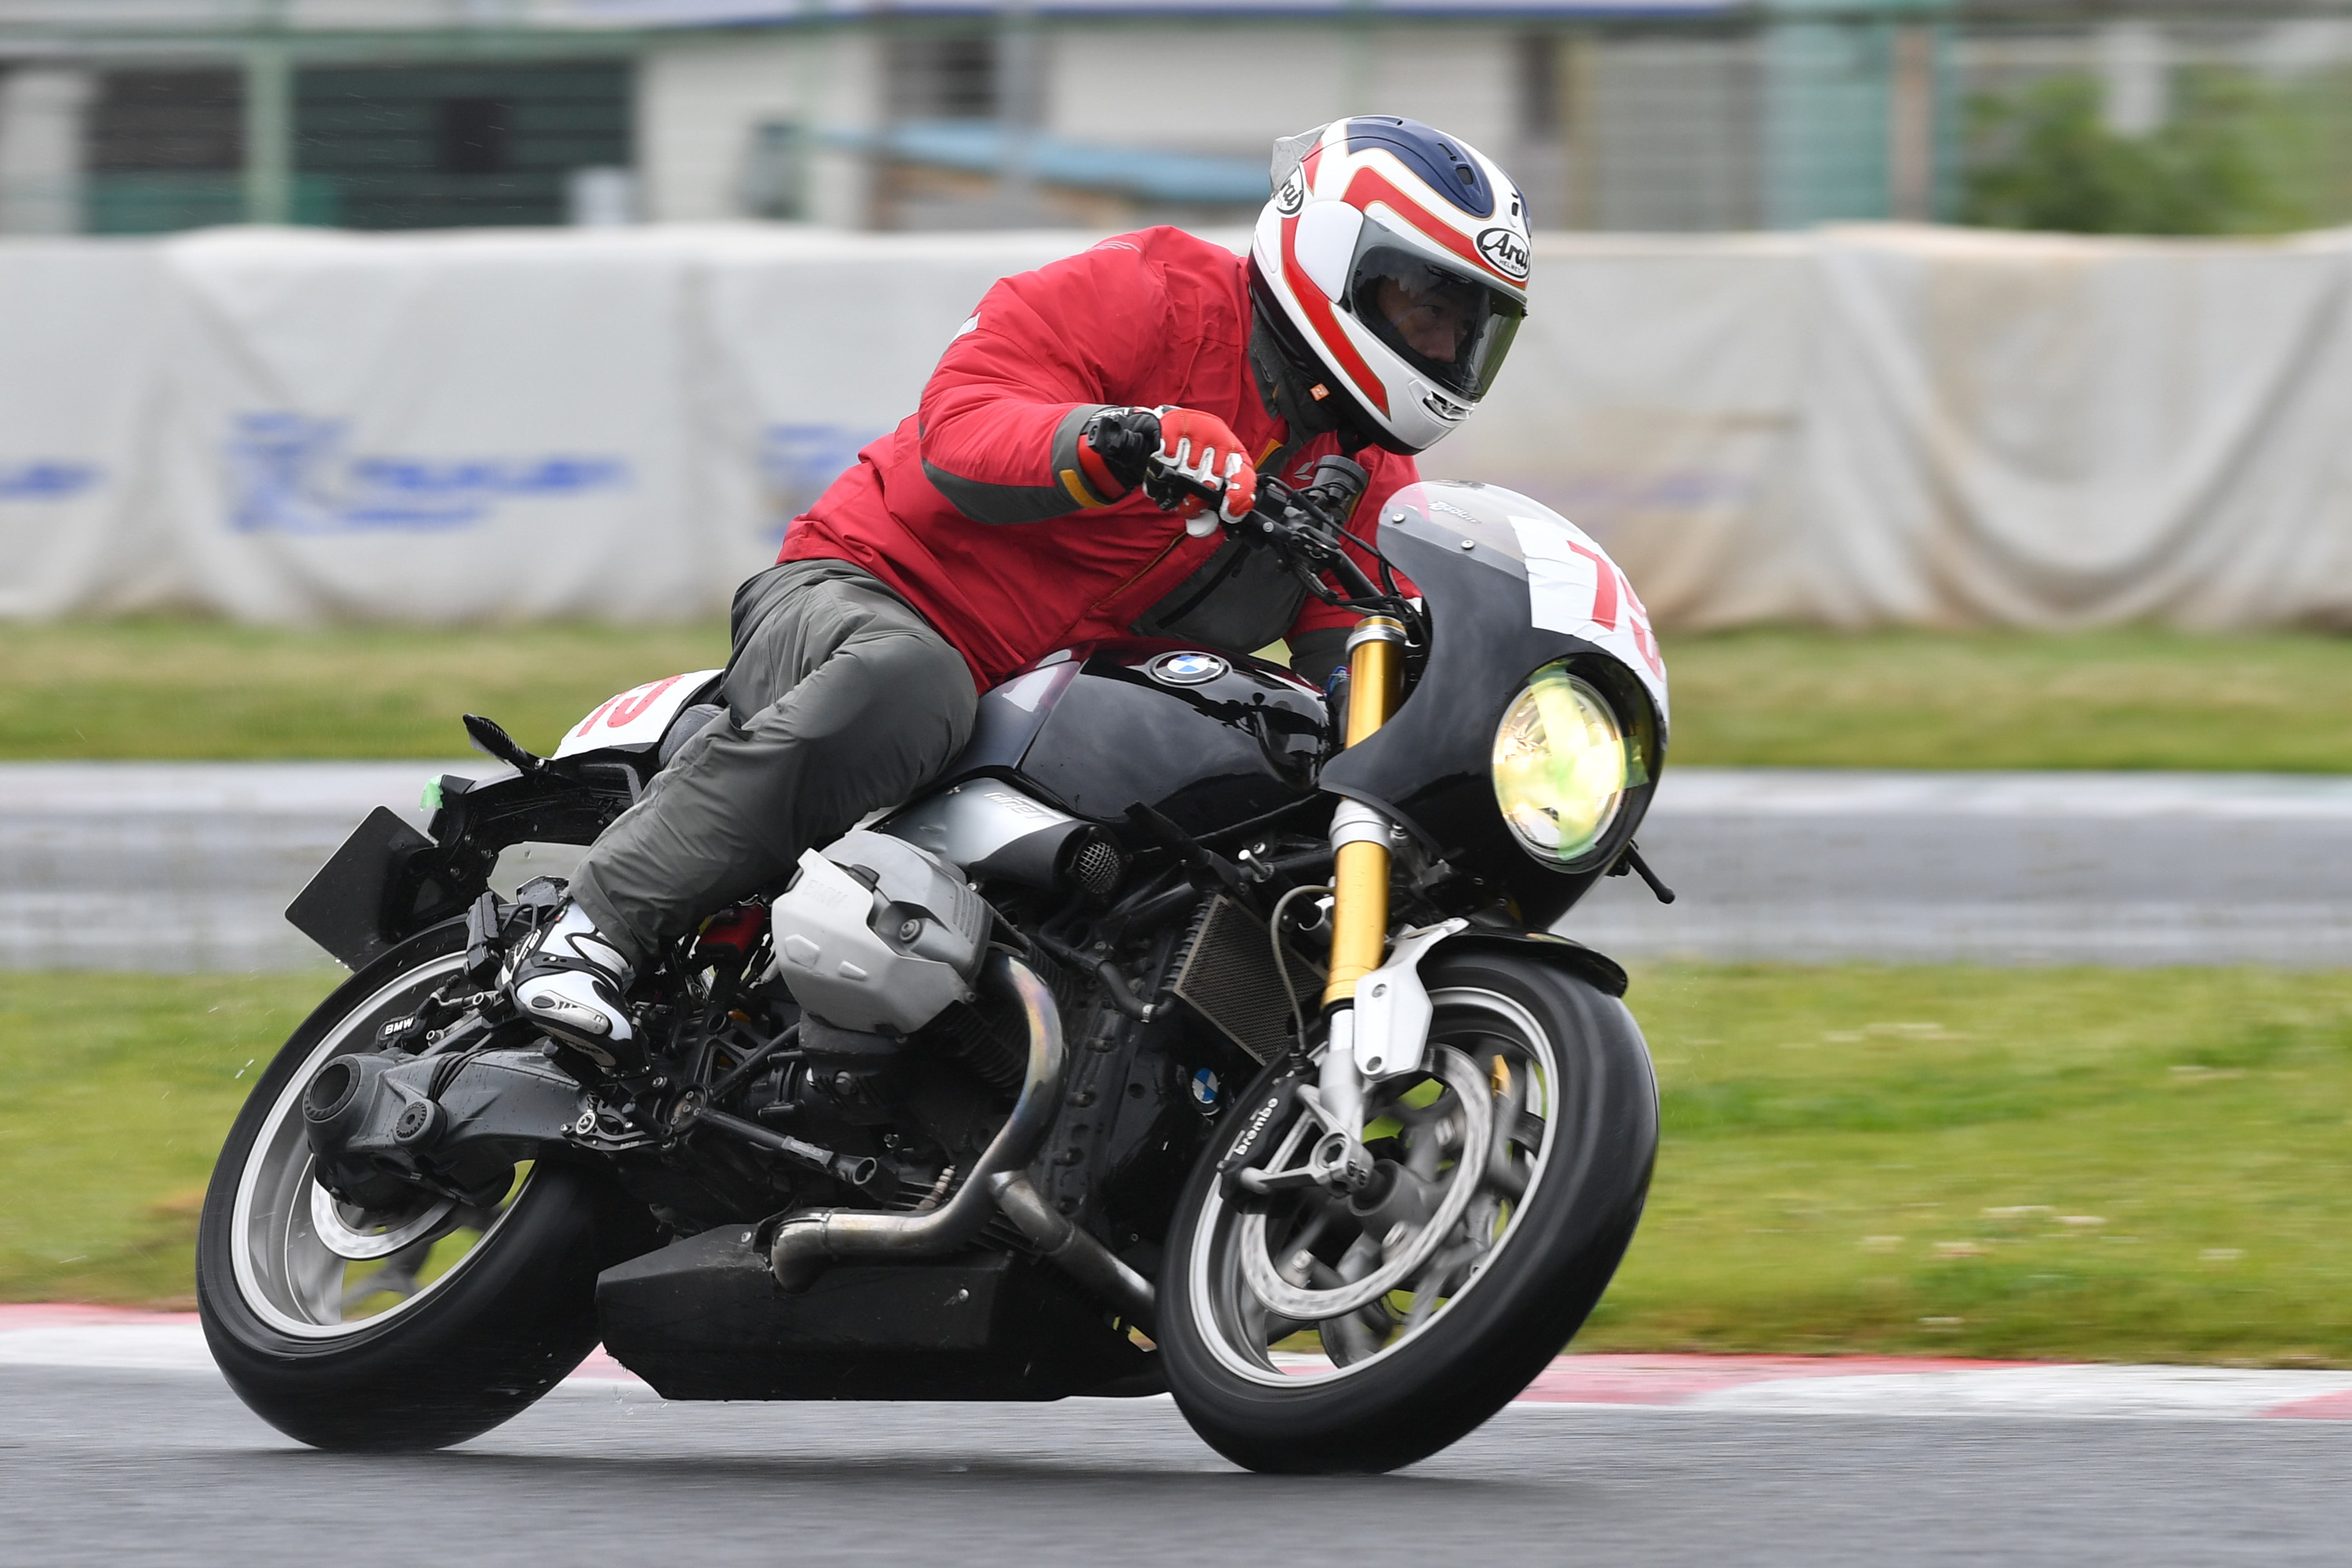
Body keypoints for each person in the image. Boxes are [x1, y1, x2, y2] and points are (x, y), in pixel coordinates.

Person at [509, 115, 1534, 1065]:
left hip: (1055, 723)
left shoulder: (1367, 481)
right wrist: (1120, 440)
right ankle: (592, 924)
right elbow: (962, 421)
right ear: (1341, 260)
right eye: (1427, 308)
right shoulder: (1149, 292)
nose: (1446, 348)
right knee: (912, 684)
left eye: (1468, 326)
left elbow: (1359, 677)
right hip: (865, 593)